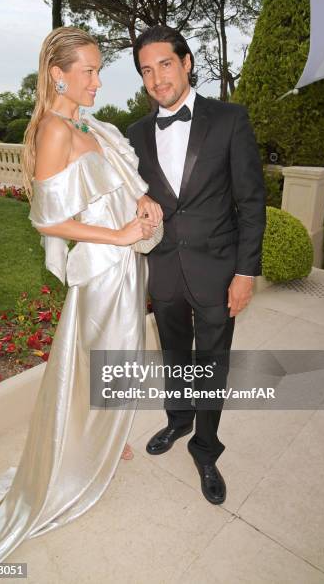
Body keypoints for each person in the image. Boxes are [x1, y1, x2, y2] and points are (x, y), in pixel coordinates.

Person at [0, 26, 162, 576]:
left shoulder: (84, 122)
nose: (96, 81)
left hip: (124, 266)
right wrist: (117, 236)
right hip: (103, 270)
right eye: (88, 71)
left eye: (98, 70)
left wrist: (142, 204)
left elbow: (116, 180)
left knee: (116, 356)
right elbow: (47, 217)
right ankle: (86, 449)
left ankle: (105, 436)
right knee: (97, 357)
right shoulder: (53, 130)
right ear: (58, 75)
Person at [127, 25, 266, 505]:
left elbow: (251, 202)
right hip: (164, 272)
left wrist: (246, 273)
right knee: (174, 356)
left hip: (219, 271)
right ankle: (178, 420)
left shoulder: (229, 119)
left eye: (165, 64)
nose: (157, 78)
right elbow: (131, 193)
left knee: (212, 365)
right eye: (147, 69)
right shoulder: (136, 134)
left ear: (186, 63)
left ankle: (206, 448)